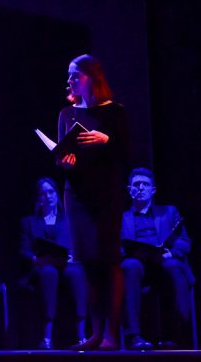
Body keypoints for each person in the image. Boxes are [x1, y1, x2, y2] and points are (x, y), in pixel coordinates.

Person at [54, 54, 130, 350]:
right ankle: (96, 333)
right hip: (77, 196)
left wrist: (106, 140)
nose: (70, 80)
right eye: (69, 75)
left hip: (106, 194)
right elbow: (62, 157)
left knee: (108, 261)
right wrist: (65, 163)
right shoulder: (66, 114)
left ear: (91, 77)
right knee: (87, 263)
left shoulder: (114, 112)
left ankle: (112, 334)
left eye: (76, 75)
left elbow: (128, 154)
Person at [120, 167, 194, 350]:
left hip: (163, 260)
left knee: (173, 265)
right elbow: (115, 246)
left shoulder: (169, 212)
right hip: (137, 264)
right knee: (130, 266)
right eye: (136, 184)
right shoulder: (121, 217)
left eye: (145, 184)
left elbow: (184, 241)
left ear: (153, 190)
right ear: (129, 189)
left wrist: (171, 252)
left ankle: (178, 335)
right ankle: (133, 336)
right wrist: (130, 252)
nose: (140, 188)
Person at [19, 177, 87, 349]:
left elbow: (78, 245)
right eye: (43, 193)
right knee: (49, 272)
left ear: (57, 194)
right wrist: (36, 259)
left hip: (66, 264)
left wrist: (73, 255)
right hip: (42, 266)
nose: (48, 196)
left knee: (76, 272)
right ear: (38, 198)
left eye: (51, 192)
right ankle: (47, 336)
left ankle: (82, 335)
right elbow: (24, 251)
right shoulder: (29, 222)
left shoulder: (68, 220)